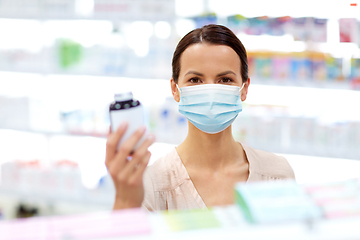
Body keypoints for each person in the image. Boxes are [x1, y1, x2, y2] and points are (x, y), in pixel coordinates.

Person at [105, 24, 295, 211]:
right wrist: (124, 201)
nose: (210, 91)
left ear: (244, 89)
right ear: (175, 89)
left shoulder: (277, 174)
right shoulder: (150, 184)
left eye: (225, 80)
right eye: (195, 80)